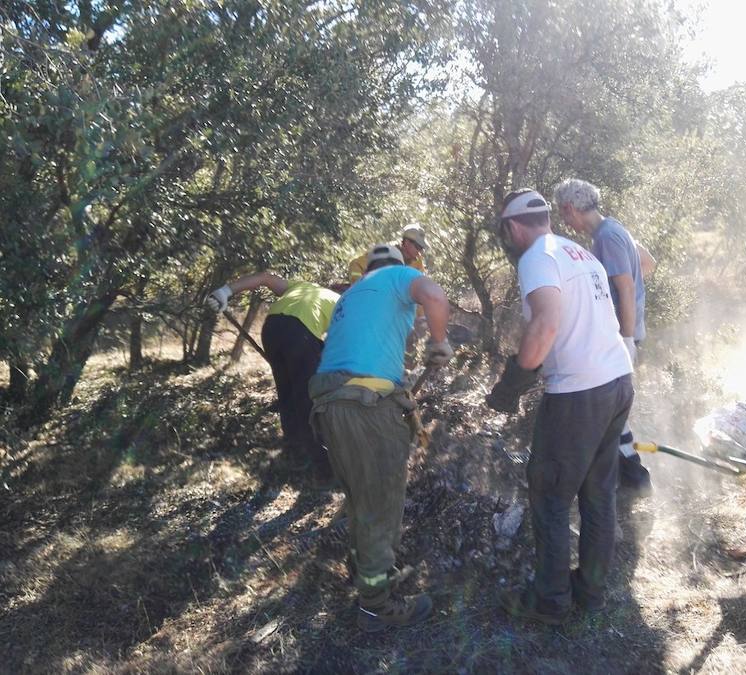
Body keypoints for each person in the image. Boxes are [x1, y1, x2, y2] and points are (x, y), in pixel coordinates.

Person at [486, 188, 634, 625]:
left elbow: (546, 323)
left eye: (506, 233)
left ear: (513, 228)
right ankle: (590, 592)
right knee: (597, 495)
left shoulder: (536, 256)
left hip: (578, 395)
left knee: (549, 494)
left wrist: (513, 380)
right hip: (617, 382)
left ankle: (550, 600)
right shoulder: (578, 253)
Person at [309, 243, 453, 632]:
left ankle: (366, 568)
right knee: (382, 502)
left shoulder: (350, 295)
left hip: (331, 406)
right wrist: (439, 341)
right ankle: (376, 606)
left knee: (360, 496)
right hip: (367, 408)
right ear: (396, 265)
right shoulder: (397, 276)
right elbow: (435, 295)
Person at [554, 178, 654, 496]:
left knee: (609, 410)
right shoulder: (615, 229)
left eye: (563, 215)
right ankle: (628, 479)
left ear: (571, 208)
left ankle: (634, 478)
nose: (566, 223)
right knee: (612, 410)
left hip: (622, 335)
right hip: (628, 331)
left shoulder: (607, 237)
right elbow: (648, 263)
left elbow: (624, 288)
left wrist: (625, 337)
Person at [207, 273, 339, 481]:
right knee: (308, 398)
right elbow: (338, 344)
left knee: (287, 395)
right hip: (300, 332)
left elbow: (265, 277)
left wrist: (226, 291)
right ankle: (323, 470)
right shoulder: (340, 302)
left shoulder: (302, 286)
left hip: (272, 328)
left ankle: (294, 455)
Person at [347, 224, 428, 285]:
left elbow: (421, 284)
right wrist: (360, 285)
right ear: (407, 242)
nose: (419, 252)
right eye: (417, 247)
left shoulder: (418, 263)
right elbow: (356, 264)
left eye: (421, 249)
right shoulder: (386, 251)